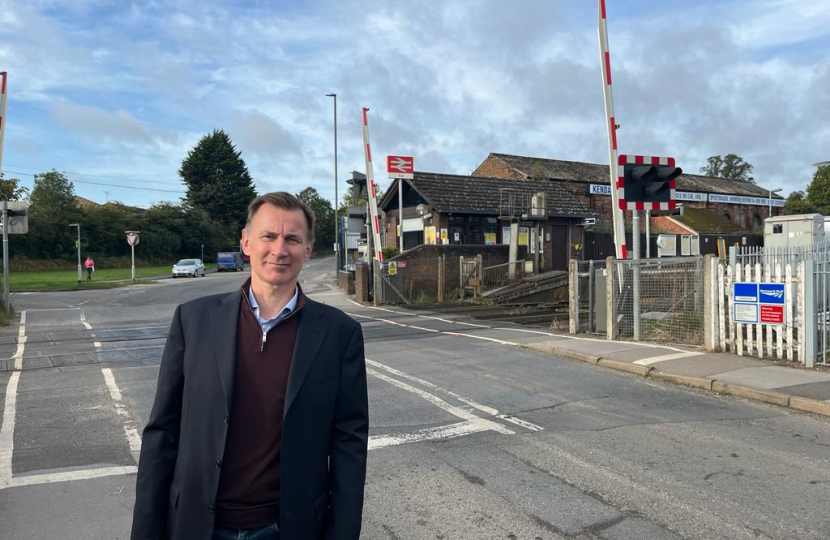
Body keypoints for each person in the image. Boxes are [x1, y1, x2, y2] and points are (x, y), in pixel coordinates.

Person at [131, 192, 369, 540]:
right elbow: (162, 434)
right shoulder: (193, 319)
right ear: (246, 242)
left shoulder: (339, 333)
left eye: (292, 239)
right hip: (196, 525)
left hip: (290, 528)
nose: (279, 249)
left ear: (308, 249)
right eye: (268, 236)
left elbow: (349, 445)